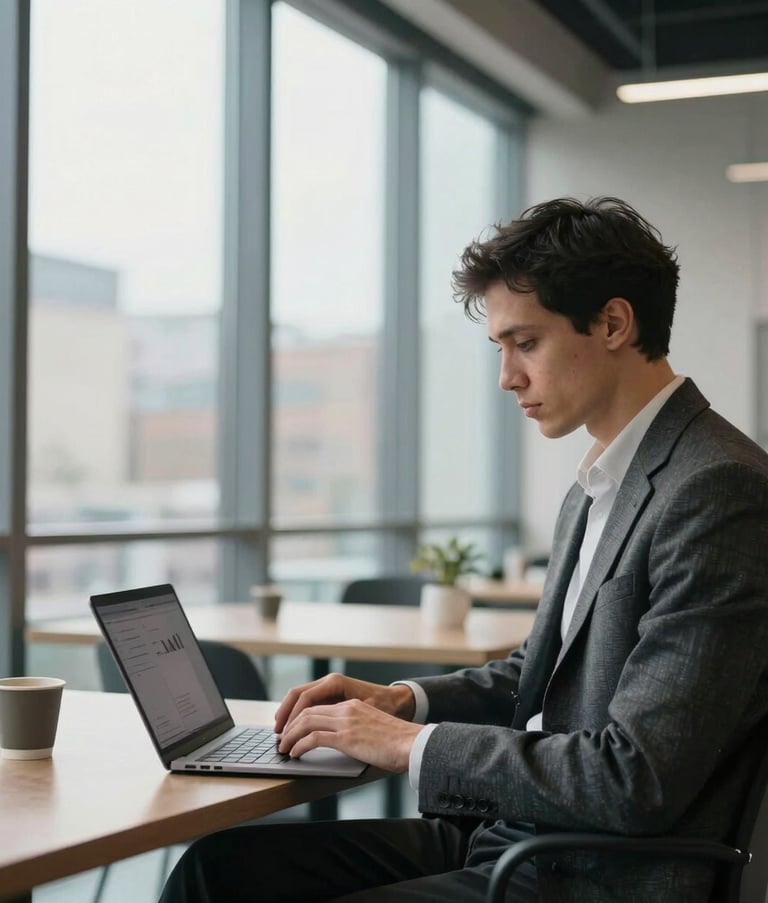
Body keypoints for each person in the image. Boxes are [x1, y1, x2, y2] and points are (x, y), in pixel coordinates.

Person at [159, 197, 768, 903]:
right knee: (219, 869)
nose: (508, 375)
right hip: (519, 836)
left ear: (612, 322)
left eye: (526, 343)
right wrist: (402, 700)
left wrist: (402, 745)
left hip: (589, 871)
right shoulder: (601, 480)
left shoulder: (718, 490)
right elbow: (537, 679)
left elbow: (636, 777)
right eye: (500, 349)